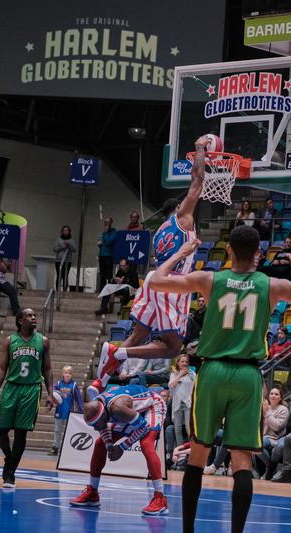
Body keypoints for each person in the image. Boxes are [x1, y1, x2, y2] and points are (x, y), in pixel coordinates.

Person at [144, 224, 291, 533]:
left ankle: (188, 530)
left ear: (228, 250)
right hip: (248, 375)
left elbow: (155, 282)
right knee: (241, 461)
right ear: (258, 254)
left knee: (198, 455)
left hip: (213, 372)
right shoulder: (271, 284)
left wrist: (182, 253)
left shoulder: (210, 280)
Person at [90, 136, 209, 395]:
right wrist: (200, 148)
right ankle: (117, 351)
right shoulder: (184, 219)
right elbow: (197, 182)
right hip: (173, 282)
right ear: (178, 207)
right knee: (172, 347)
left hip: (154, 280)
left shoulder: (161, 231)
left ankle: (100, 383)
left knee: (136, 336)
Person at [70, 385, 169, 515]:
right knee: (100, 443)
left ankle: (160, 498)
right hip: (132, 411)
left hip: (152, 405)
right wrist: (109, 445)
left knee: (146, 444)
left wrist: (122, 448)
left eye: (96, 425)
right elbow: (102, 426)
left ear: (104, 416)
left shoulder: (118, 409)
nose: (95, 429)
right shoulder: (97, 404)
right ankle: (92, 492)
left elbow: (143, 428)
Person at [0, 308, 58, 487]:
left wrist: (50, 393)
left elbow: (48, 369)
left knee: (21, 432)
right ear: (20, 321)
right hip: (11, 387)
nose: (33, 317)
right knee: (1, 430)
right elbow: (2, 368)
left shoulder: (43, 341)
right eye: (29, 315)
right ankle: (8, 458)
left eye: (34, 315)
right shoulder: (10, 341)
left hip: (31, 389)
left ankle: (10, 473)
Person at [48, 365, 83, 455]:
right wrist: (50, 403)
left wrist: (81, 410)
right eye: (66, 373)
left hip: (69, 412)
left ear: (72, 375)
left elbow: (79, 399)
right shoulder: (58, 384)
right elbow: (52, 395)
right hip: (59, 411)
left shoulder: (74, 385)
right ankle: (55, 447)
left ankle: (67, 449)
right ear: (62, 374)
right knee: (57, 430)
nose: (68, 375)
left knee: (68, 432)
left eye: (70, 373)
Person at [258, 387, 288, 479]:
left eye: (276, 394)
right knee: (252, 442)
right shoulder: (263, 407)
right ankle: (269, 468)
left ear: (280, 398)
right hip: (262, 436)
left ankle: (271, 468)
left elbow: (277, 426)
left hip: (274, 438)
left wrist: (267, 413)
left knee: (257, 444)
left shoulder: (283, 409)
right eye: (271, 393)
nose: (273, 396)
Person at [168, 354, 195, 448]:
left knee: (188, 428)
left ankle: (192, 449)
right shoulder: (173, 374)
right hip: (177, 404)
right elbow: (171, 386)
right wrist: (180, 374)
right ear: (178, 363)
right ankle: (180, 452)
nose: (184, 363)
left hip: (188, 403)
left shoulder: (192, 374)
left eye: (186, 362)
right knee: (177, 429)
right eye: (182, 361)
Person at [53, 225, 76, 292]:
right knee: (59, 275)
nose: (65, 232)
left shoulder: (71, 240)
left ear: (69, 232)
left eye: (67, 230)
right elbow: (54, 249)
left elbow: (74, 249)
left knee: (65, 276)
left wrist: (69, 244)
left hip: (67, 261)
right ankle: (58, 291)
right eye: (64, 230)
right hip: (58, 261)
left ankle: (65, 291)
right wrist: (61, 247)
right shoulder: (58, 240)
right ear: (62, 231)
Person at [97, 216, 117, 292]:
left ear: (111, 223)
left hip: (109, 255)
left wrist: (106, 232)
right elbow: (104, 243)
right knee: (102, 275)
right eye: (105, 222)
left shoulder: (114, 232)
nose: (106, 224)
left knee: (109, 275)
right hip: (102, 255)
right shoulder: (104, 232)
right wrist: (100, 245)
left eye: (108, 222)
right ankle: (101, 291)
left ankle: (109, 291)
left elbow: (109, 242)